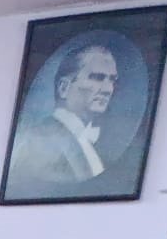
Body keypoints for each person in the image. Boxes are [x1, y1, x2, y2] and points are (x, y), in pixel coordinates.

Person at [11, 41, 118, 184]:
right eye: (97, 78)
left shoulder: (90, 141)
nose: (108, 89)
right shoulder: (38, 140)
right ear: (64, 87)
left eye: (112, 80)